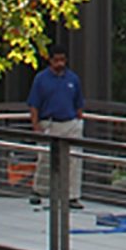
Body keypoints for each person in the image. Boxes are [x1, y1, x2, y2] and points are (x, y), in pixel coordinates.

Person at [28, 47, 86, 209]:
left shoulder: (73, 79)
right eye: (56, 60)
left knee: (74, 160)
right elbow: (34, 104)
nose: (60, 63)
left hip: (70, 122)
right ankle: (38, 190)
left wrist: (78, 119)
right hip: (50, 123)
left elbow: (79, 102)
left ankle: (72, 195)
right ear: (50, 61)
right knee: (45, 158)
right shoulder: (41, 79)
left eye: (62, 60)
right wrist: (36, 125)